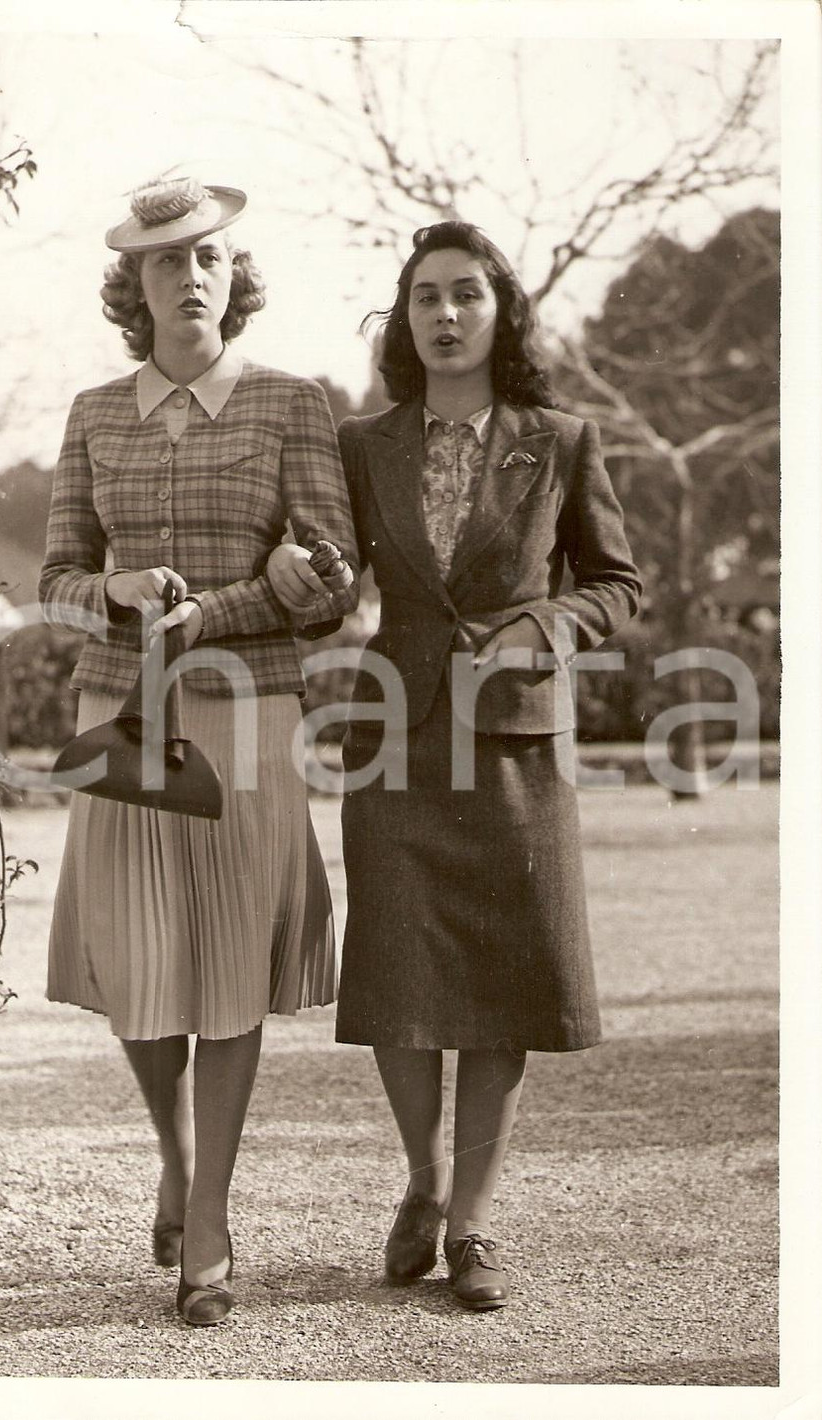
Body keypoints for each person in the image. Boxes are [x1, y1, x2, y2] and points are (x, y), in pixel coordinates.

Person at [268, 221, 641, 1312]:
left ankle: (474, 1225)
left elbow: (616, 582)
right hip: (394, 731)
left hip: (517, 738)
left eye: (465, 294)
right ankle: (424, 1180)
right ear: (404, 317)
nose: (443, 314)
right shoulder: (360, 443)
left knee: (499, 983)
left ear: (500, 310)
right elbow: (336, 586)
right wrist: (306, 572)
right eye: (424, 296)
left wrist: (549, 626)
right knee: (400, 974)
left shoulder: (562, 440)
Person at [39, 176, 358, 1326]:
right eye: (165, 262)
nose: (189, 277)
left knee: (225, 964)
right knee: (138, 966)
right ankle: (173, 1157)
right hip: (118, 715)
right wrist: (111, 588)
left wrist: (230, 607)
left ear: (236, 277)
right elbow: (55, 583)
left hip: (246, 715)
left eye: (209, 258)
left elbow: (332, 586)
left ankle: (210, 1217)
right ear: (135, 287)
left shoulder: (293, 404)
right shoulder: (91, 413)